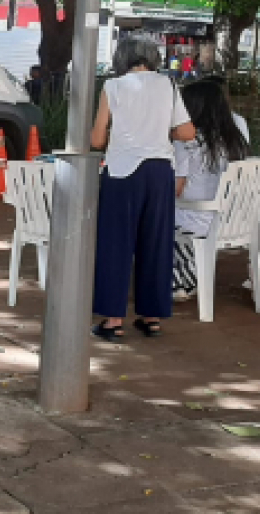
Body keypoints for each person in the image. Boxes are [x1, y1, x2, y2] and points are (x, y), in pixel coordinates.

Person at [90, 36, 196, 340]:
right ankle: (151, 318)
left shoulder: (114, 86)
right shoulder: (169, 85)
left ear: (122, 57)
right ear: (153, 58)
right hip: (161, 170)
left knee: (116, 245)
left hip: (123, 171)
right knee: (156, 243)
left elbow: (97, 140)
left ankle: (113, 320)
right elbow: (187, 132)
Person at [171, 79, 250, 300]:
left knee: (151, 212)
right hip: (232, 219)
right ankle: (187, 270)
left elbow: (177, 187)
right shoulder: (237, 134)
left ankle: (180, 276)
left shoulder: (186, 139)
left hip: (194, 219)